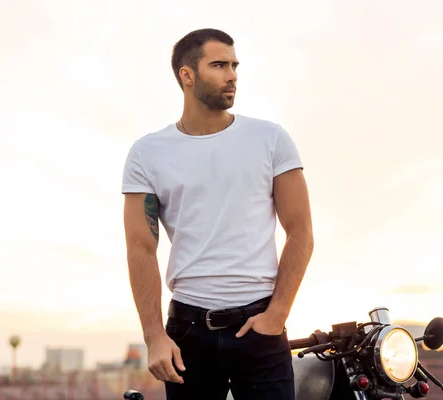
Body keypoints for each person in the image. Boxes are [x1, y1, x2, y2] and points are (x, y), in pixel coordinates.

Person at [121, 28, 314, 400]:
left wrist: (276, 316)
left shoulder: (270, 139)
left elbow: (301, 231)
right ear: (187, 75)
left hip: (261, 327)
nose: (233, 75)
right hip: (187, 332)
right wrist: (154, 336)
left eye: (235, 65)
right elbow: (140, 248)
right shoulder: (147, 153)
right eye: (219, 65)